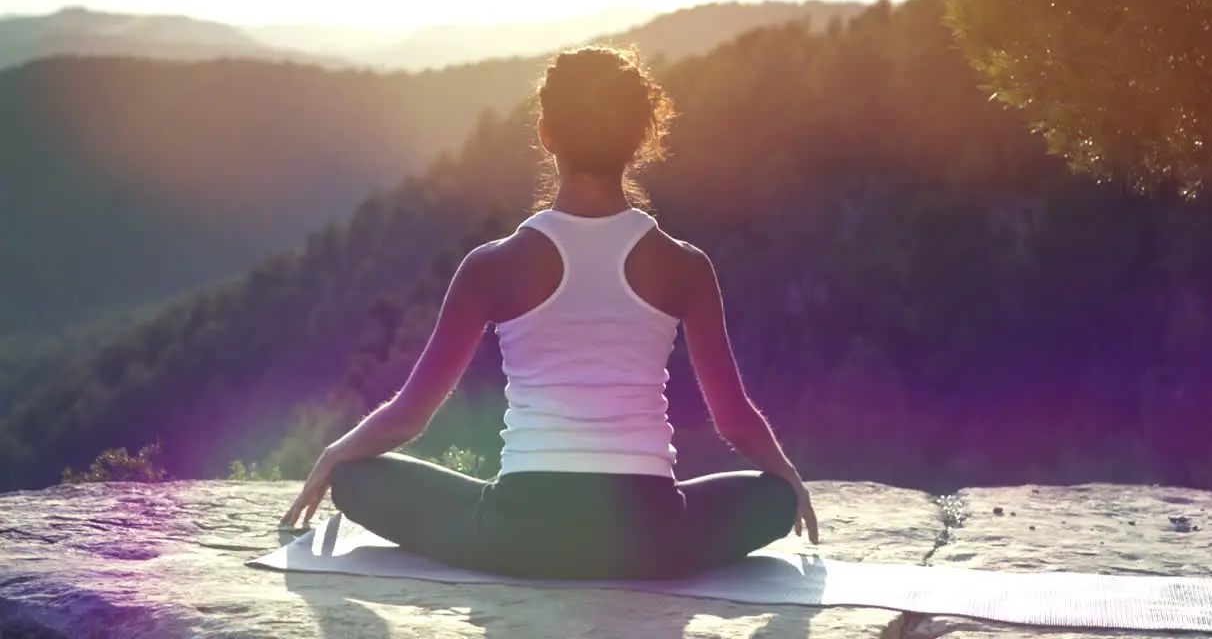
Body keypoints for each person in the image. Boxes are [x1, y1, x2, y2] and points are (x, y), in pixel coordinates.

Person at [280, 45, 819, 580]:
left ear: (546, 135)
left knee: (354, 478)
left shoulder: (492, 265)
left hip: (517, 535)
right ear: (639, 140)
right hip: (650, 539)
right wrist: (789, 480)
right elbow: (734, 420)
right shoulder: (684, 266)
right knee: (771, 497)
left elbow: (409, 416)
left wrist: (334, 455)